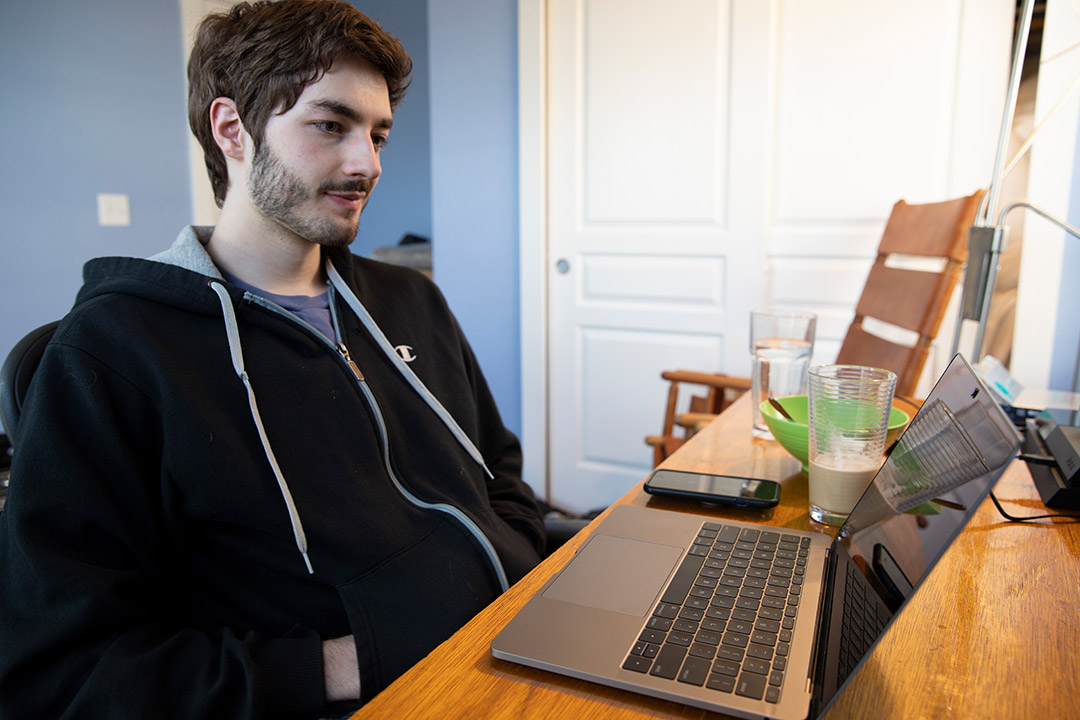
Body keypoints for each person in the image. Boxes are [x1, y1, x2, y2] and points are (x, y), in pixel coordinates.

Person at [0, 1, 545, 717]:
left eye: (378, 133)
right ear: (232, 129)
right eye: (331, 125)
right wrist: (351, 662)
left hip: (509, 645)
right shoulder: (114, 352)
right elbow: (62, 668)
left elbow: (498, 477)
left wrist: (518, 574)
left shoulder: (410, 300)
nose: (368, 164)